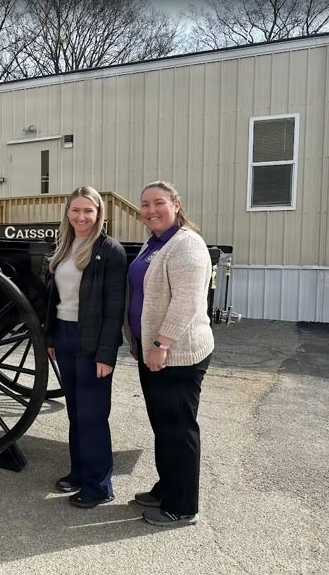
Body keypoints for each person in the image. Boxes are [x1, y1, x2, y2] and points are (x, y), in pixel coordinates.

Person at [126, 180, 214, 527]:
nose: (151, 211)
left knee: (178, 429)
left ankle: (182, 507)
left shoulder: (186, 245)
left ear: (176, 205)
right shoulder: (156, 242)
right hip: (154, 353)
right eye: (145, 204)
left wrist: (162, 344)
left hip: (178, 354)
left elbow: (186, 303)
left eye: (159, 203)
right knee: (163, 426)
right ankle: (168, 488)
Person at [45, 186, 127, 509]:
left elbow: (114, 307)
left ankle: (99, 484)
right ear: (68, 212)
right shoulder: (64, 247)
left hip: (92, 339)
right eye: (76, 210)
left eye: (88, 211)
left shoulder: (110, 251)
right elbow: (55, 297)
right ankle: (79, 471)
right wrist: (51, 337)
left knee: (93, 414)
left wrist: (107, 354)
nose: (82, 217)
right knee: (76, 412)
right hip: (64, 336)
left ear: (98, 214)